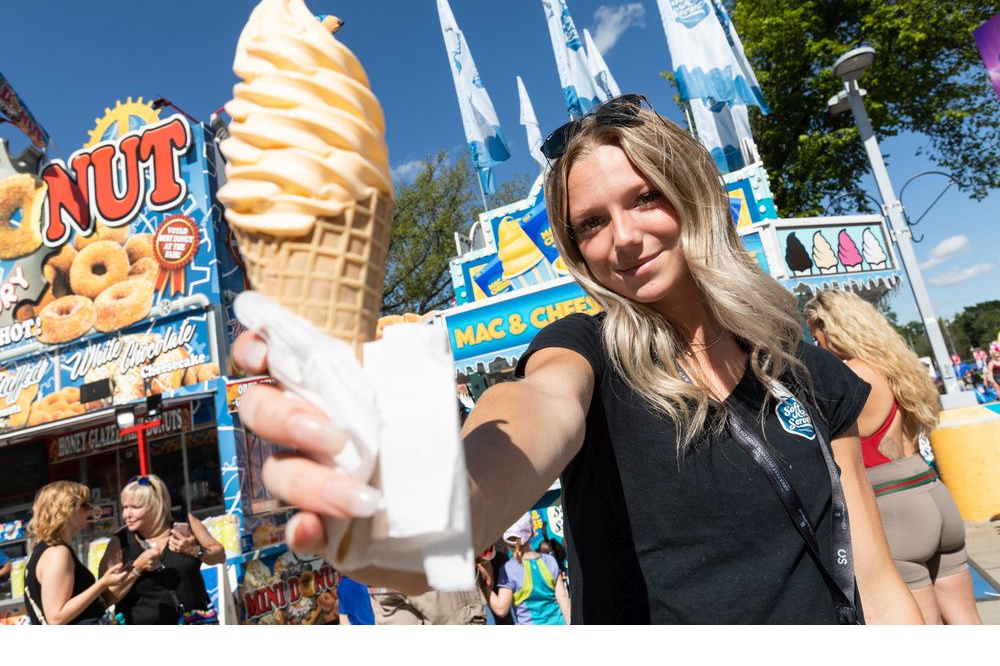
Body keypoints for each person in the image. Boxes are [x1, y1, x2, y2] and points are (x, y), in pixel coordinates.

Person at [231, 93, 922, 624]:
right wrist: (423, 509)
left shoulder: (796, 364)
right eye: (592, 223)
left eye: (645, 197)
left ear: (693, 194)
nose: (623, 237)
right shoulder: (582, 350)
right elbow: (534, 413)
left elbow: (874, 572)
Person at [803, 290, 983, 625]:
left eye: (817, 337)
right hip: (934, 493)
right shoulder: (899, 368)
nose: (817, 347)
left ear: (834, 330)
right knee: (967, 622)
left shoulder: (850, 377)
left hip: (893, 508)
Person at [98, 474, 225, 624]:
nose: (127, 515)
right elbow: (105, 598)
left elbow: (220, 556)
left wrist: (194, 550)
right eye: (125, 507)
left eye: (135, 507)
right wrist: (137, 568)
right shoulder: (120, 542)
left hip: (195, 621)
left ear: (156, 505)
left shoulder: (186, 523)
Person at [23, 481, 130, 624]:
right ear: (67, 509)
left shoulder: (44, 550)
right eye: (85, 505)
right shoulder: (58, 553)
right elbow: (56, 617)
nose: (90, 509)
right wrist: (102, 584)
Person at [488, 513, 569, 625]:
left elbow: (501, 609)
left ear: (506, 540)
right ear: (533, 533)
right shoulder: (550, 560)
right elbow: (562, 598)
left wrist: (484, 587)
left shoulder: (509, 569)